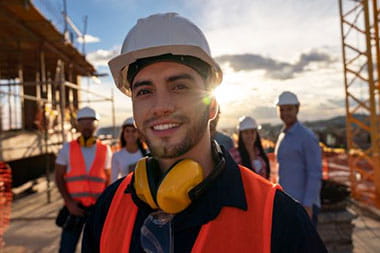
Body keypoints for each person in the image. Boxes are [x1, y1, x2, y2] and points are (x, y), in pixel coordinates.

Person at [82, 13, 327, 252]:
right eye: (144, 91)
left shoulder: (278, 219)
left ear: (211, 105)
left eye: (180, 86)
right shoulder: (107, 210)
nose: (160, 106)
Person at [55, 106, 112, 253]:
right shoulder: (67, 148)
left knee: (95, 249)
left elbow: (109, 180)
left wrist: (104, 206)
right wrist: (69, 203)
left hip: (96, 210)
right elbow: (58, 177)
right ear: (78, 125)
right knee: (66, 249)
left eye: (90, 122)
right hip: (74, 209)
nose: (87, 126)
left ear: (96, 125)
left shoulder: (105, 150)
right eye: (83, 122)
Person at [274, 91, 322, 226]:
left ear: (297, 109)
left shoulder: (306, 136)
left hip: (303, 205)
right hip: (288, 203)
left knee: (306, 247)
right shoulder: (283, 136)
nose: (285, 113)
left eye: (289, 109)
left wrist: (307, 205)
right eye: (282, 109)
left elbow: (314, 172)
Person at [111, 117, 148, 183]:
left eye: (134, 131)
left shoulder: (148, 154)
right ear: (123, 134)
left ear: (139, 134)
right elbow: (114, 180)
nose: (130, 134)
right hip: (126, 192)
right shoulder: (117, 156)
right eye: (127, 131)